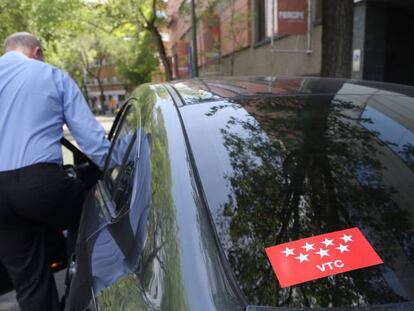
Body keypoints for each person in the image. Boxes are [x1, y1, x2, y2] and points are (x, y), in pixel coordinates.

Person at [0, 32, 110, 311]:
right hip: (41, 185)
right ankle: (76, 284)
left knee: (29, 281)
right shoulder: (51, 75)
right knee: (89, 203)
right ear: (37, 52)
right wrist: (119, 167)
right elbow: (93, 142)